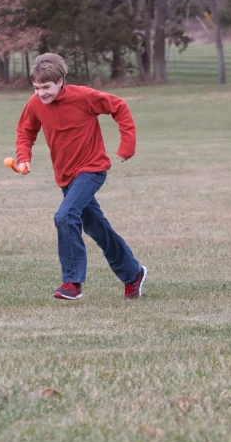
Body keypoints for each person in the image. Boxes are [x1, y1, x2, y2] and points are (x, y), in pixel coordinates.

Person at [15, 53, 147, 300]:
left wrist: (127, 145)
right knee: (97, 228)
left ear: (61, 80)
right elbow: (25, 131)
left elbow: (118, 106)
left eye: (46, 87)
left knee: (64, 216)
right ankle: (133, 274)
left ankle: (72, 282)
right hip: (65, 177)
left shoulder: (83, 96)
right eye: (36, 87)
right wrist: (24, 157)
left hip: (92, 169)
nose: (41, 93)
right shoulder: (35, 104)